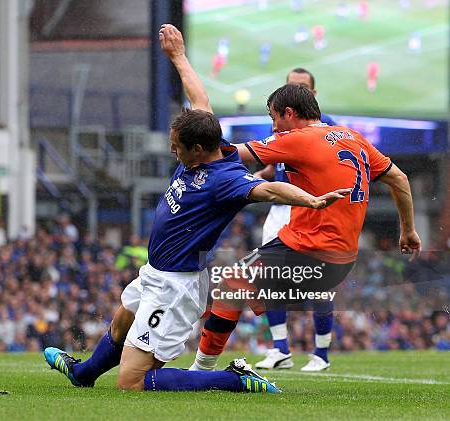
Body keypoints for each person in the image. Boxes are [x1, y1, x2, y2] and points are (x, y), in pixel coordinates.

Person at [43, 24, 350, 393]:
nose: (174, 151)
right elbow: (199, 97)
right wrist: (178, 56)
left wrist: (312, 200)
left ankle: (233, 380)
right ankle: (84, 374)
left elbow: (269, 189)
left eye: (178, 147)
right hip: (155, 271)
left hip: (176, 287)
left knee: (132, 381)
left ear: (198, 150)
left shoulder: (226, 181)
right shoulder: (205, 135)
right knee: (123, 319)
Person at [189, 87, 421, 374]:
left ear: (290, 113)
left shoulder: (299, 140)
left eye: (275, 118)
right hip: (341, 259)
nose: (274, 127)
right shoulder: (353, 137)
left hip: (308, 251)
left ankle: (202, 369)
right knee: (245, 285)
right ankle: (294, 351)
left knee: (230, 284)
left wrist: (195, 143)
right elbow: (399, 178)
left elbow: (229, 153)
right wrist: (408, 231)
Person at [249, 68, 340, 372]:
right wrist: (260, 176)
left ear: (313, 94)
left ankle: (322, 354)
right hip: (279, 209)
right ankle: (280, 350)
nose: (294, 92)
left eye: (301, 87)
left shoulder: (329, 129)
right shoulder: (282, 127)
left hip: (313, 208)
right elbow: (277, 167)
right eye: (289, 87)